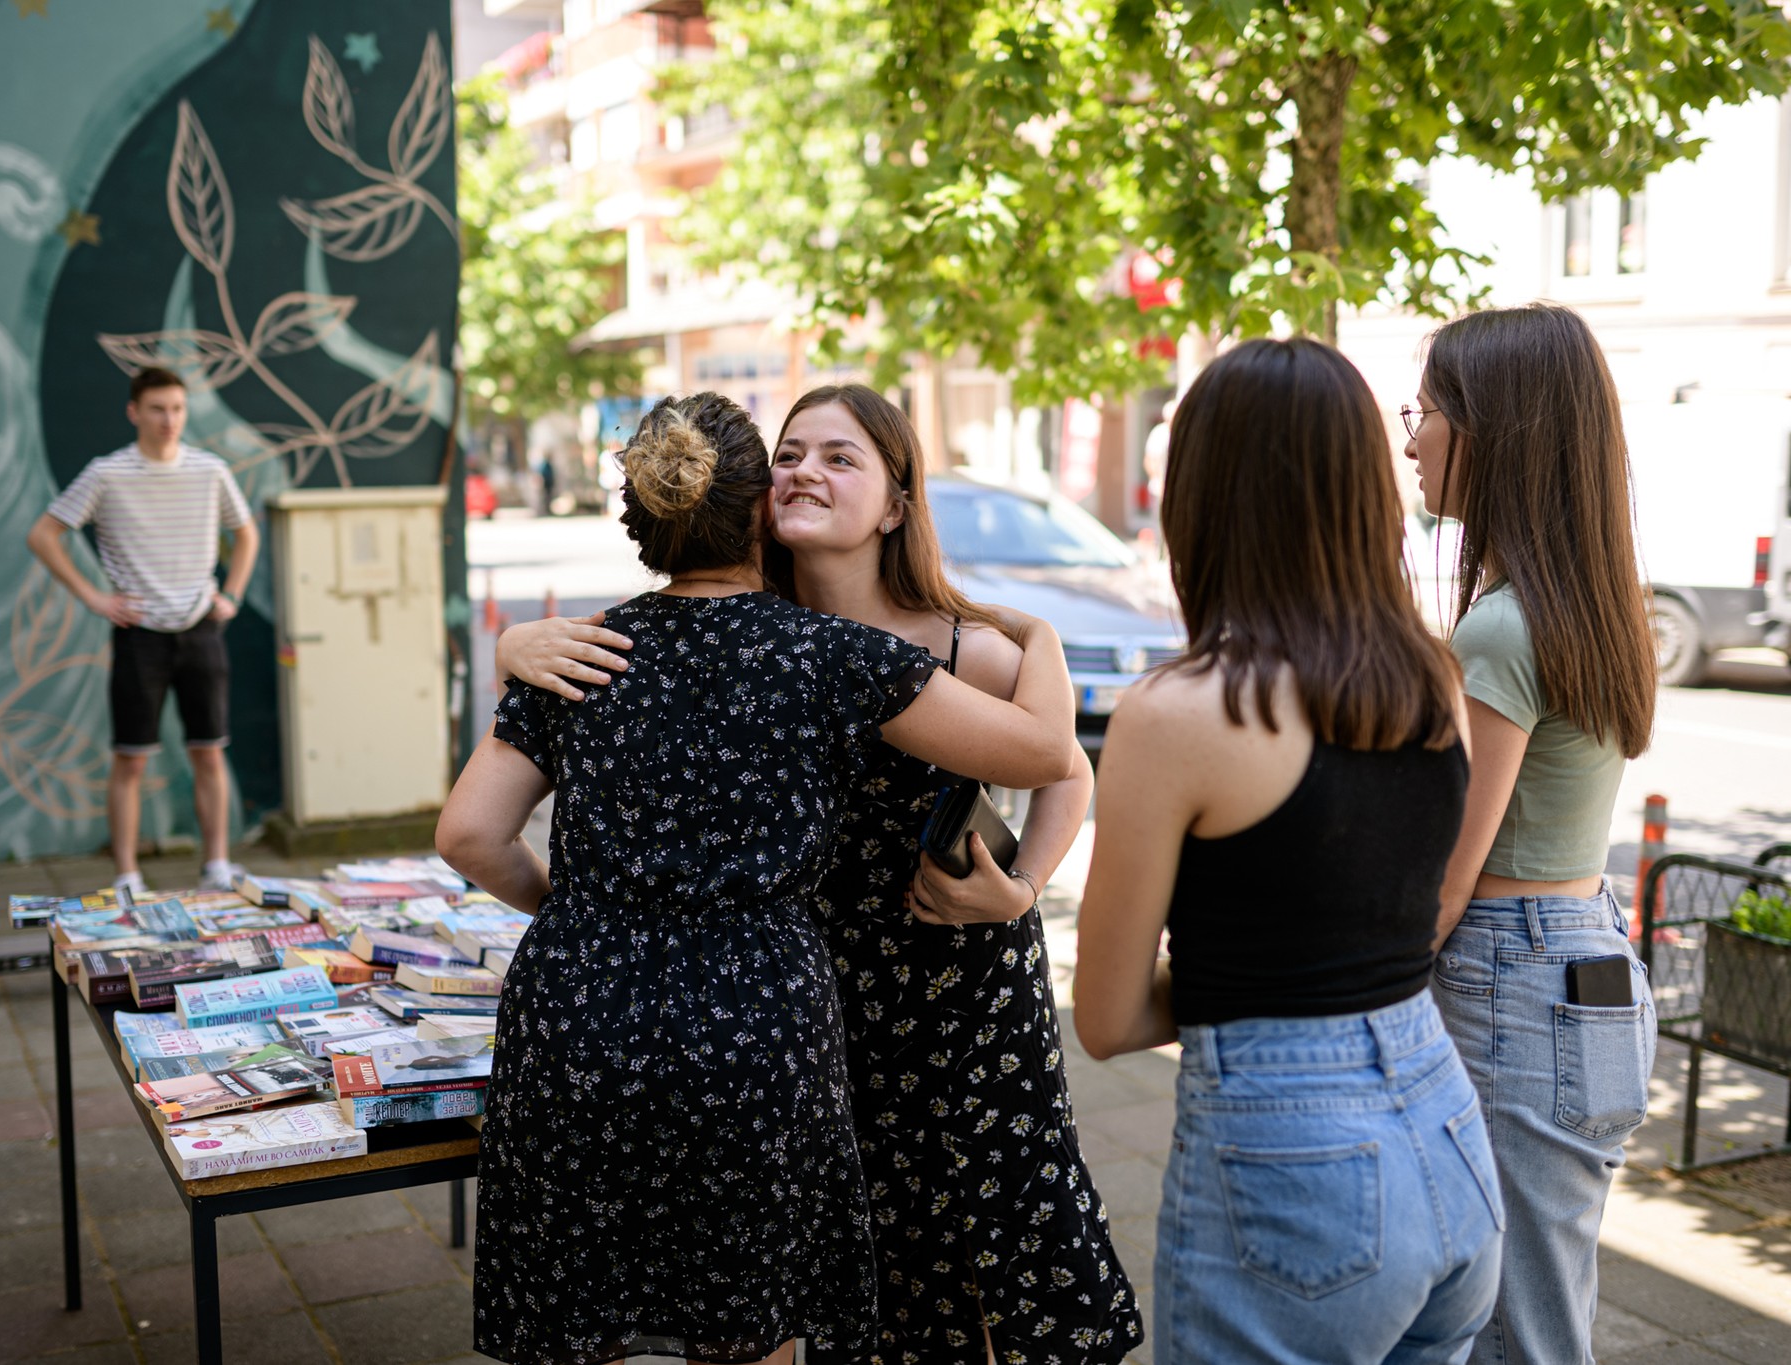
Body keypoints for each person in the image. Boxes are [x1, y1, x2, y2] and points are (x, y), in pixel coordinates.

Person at [499, 384, 1143, 1363]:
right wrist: (516, 642)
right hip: (813, 981)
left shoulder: (959, 643)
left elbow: (1066, 770)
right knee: (843, 1262)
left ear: (895, 504)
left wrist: (1021, 887)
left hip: (952, 984)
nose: (805, 471)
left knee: (973, 1246)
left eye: (841, 458)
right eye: (790, 454)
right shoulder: (764, 633)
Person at [1070, 338, 1502, 1364]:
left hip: (1293, 1162)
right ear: (1364, 488)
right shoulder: (1431, 678)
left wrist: (1252, 979)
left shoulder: (1179, 713)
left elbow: (1107, 1017)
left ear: (1201, 496)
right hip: (1446, 1127)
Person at [1409, 303, 1659, 1365]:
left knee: (1517, 1329)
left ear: (1494, 432)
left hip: (1512, 980)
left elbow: (1447, 874)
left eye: (1425, 412)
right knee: (1540, 1308)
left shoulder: (1501, 627)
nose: (1411, 440)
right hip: (1584, 959)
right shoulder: (1592, 604)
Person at [27, 366, 257, 895]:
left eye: (177, 408)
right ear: (134, 412)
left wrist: (232, 595)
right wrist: (93, 597)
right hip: (139, 636)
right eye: (157, 409)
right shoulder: (106, 474)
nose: (168, 419)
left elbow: (246, 533)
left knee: (209, 751)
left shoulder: (210, 470)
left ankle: (217, 866)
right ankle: (127, 874)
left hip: (201, 629)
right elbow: (43, 534)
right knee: (130, 759)